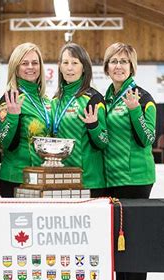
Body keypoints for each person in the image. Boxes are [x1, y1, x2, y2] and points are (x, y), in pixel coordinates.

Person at [103, 42, 157, 280]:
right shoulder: (108, 97)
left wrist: (135, 110)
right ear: (107, 66)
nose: (119, 65)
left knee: (132, 242)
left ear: (132, 66)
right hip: (110, 179)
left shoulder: (143, 97)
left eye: (124, 61)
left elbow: (147, 138)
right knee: (115, 242)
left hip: (135, 179)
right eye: (114, 61)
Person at [51, 43, 108, 196]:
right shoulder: (56, 101)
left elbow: (103, 142)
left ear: (84, 68)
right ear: (60, 67)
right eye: (65, 63)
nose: (69, 68)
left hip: (89, 181)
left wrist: (94, 126)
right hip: (61, 180)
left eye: (75, 63)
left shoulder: (93, 99)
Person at [0, 43, 50, 197]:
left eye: (35, 63)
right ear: (16, 67)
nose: (30, 67)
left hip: (41, 178)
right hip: (15, 179)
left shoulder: (45, 100)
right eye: (24, 63)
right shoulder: (10, 99)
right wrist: (13, 116)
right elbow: (5, 142)